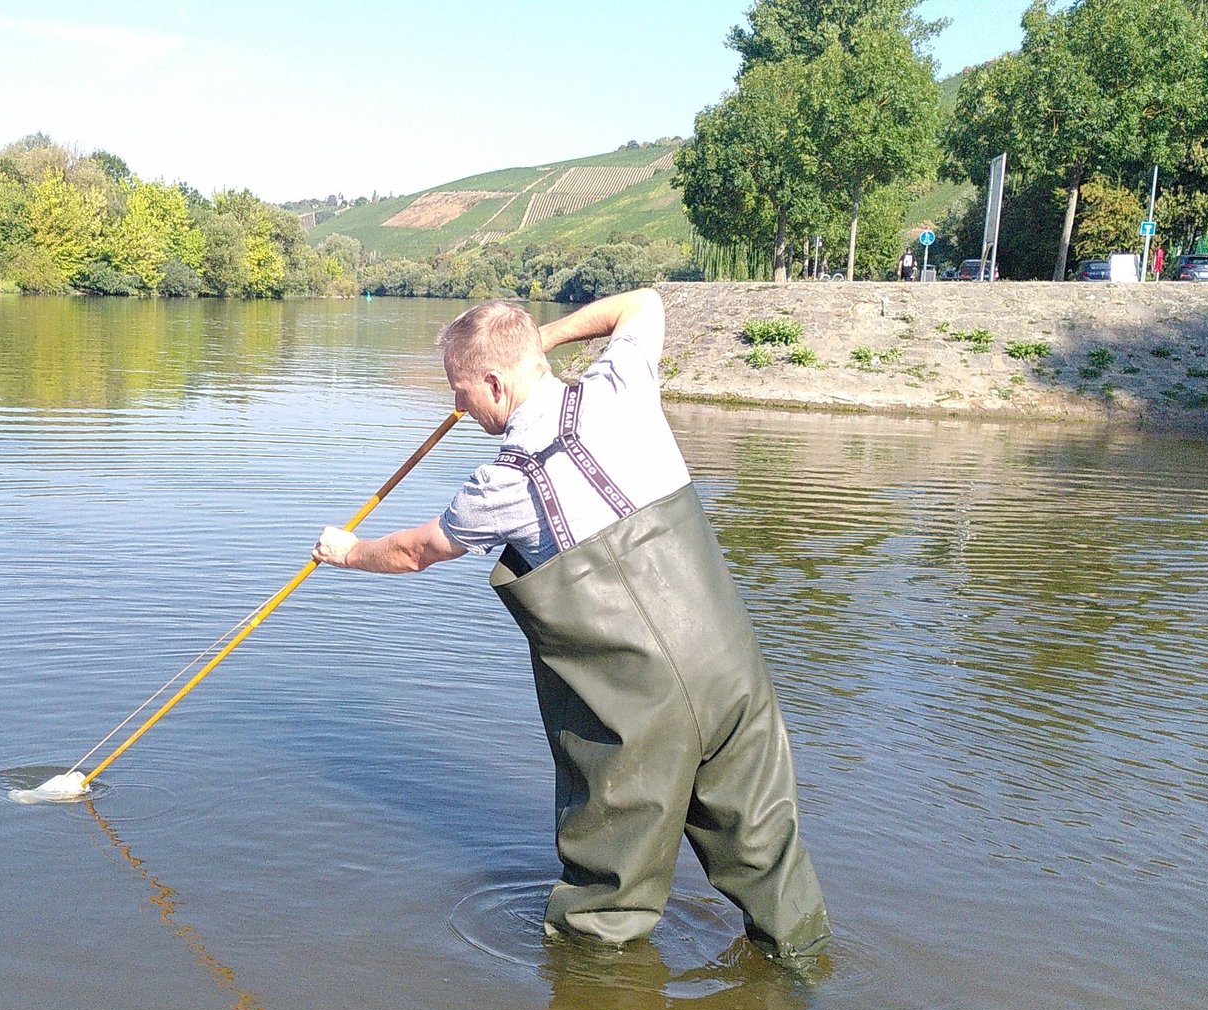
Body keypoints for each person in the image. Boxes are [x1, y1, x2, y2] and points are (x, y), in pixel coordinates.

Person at [312, 291, 829, 957]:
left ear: (495, 382)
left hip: (636, 720)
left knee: (603, 909)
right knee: (769, 859)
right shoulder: (624, 388)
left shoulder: (500, 486)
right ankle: (815, 993)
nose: (460, 409)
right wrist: (542, 337)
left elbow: (416, 553)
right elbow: (641, 304)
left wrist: (345, 552)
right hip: (732, 678)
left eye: (462, 391)